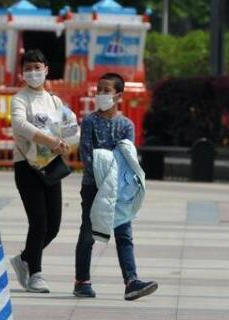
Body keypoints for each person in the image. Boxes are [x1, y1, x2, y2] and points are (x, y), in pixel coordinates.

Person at [73, 72, 158, 300]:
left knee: (124, 233)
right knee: (88, 232)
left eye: (106, 90)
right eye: (98, 90)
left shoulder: (126, 125)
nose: (100, 94)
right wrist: (104, 180)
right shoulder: (90, 121)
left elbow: (128, 158)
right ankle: (82, 281)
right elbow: (86, 155)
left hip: (119, 190)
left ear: (118, 95)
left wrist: (116, 183)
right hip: (93, 187)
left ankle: (131, 281)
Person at [9, 49, 76, 293]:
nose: (33, 72)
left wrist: (68, 141)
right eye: (28, 68)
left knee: (54, 225)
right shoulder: (19, 99)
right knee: (38, 221)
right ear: (22, 72)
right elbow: (19, 124)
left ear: (47, 70)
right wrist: (49, 140)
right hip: (26, 165)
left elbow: (68, 127)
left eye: (38, 68)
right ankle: (35, 274)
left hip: (50, 165)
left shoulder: (55, 101)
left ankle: (25, 258)